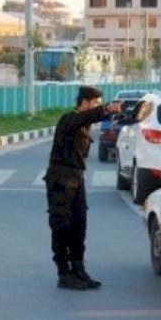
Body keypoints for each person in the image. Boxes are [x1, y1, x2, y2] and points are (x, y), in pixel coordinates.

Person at [44, 86, 122, 291]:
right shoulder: (69, 119)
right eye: (95, 104)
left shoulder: (85, 122)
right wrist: (106, 109)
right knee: (62, 226)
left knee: (79, 225)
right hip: (61, 179)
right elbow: (85, 117)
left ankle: (78, 269)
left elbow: (93, 118)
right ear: (84, 103)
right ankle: (64, 273)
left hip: (77, 178)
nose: (97, 107)